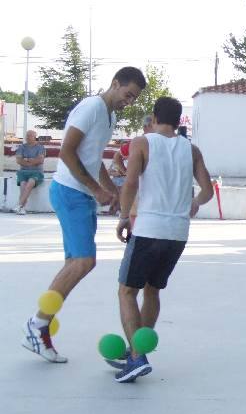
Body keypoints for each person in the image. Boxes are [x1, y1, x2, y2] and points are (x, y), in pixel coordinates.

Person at [22, 66, 145, 363]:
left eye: (133, 99)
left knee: (75, 263)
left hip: (82, 195)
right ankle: (37, 325)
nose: (128, 102)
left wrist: (110, 192)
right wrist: (96, 190)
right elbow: (66, 151)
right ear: (115, 83)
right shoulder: (91, 107)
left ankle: (40, 328)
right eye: (127, 94)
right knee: (84, 261)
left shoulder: (110, 116)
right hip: (69, 192)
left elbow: (93, 160)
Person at [109, 97, 214, 382]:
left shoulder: (143, 143)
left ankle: (137, 357)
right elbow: (208, 191)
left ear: (154, 118)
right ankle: (135, 353)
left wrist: (122, 218)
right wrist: (194, 203)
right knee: (152, 290)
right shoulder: (191, 150)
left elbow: (130, 183)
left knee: (127, 291)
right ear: (180, 120)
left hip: (149, 229)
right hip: (177, 233)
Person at [110, 115, 154, 188]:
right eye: (154, 125)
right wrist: (125, 172)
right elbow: (117, 156)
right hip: (134, 183)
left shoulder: (155, 141)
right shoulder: (138, 142)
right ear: (146, 127)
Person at [14, 129, 46, 214]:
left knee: (30, 184)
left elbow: (40, 160)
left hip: (36, 172)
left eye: (29, 136)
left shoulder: (40, 147)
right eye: (26, 136)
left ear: (35, 137)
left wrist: (26, 160)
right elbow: (18, 160)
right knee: (23, 185)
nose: (27, 137)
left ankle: (19, 205)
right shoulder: (22, 147)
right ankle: (21, 208)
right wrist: (31, 161)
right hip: (23, 171)